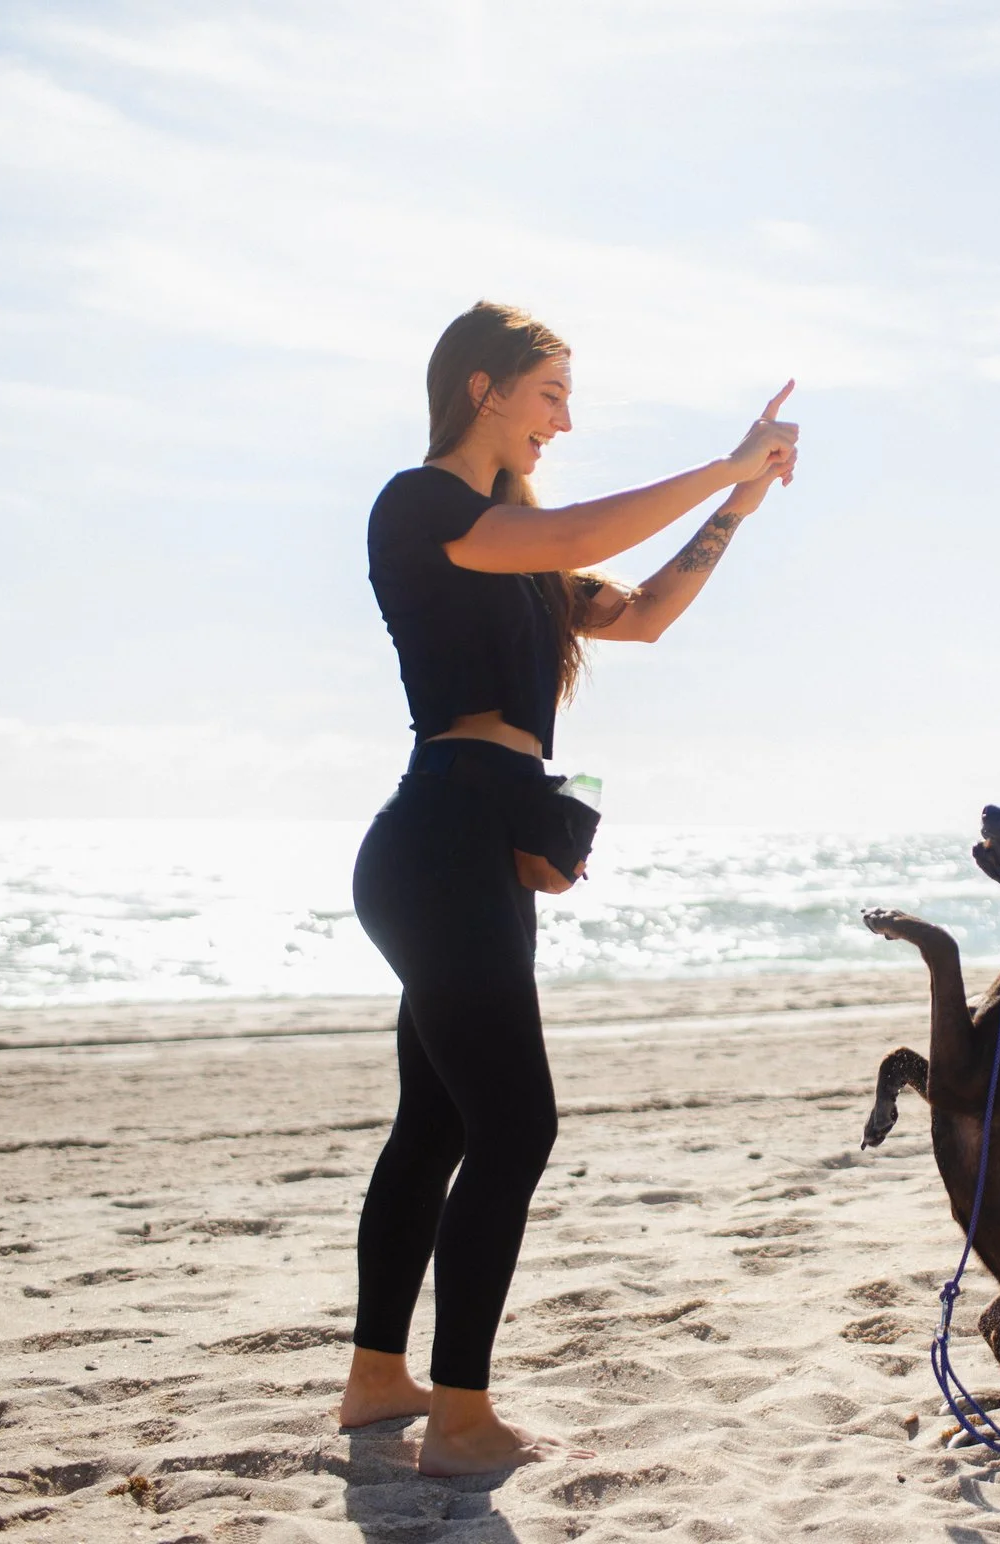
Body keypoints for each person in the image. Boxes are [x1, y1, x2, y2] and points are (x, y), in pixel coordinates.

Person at [338, 300, 798, 1475]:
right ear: (484, 388)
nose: (565, 418)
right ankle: (459, 1417)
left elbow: (640, 616)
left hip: (476, 845)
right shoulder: (423, 507)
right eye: (551, 393)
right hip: (438, 832)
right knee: (517, 1123)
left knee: (438, 1119)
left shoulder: (528, 556)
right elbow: (570, 533)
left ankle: (377, 1377)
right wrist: (720, 464)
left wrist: (737, 511)